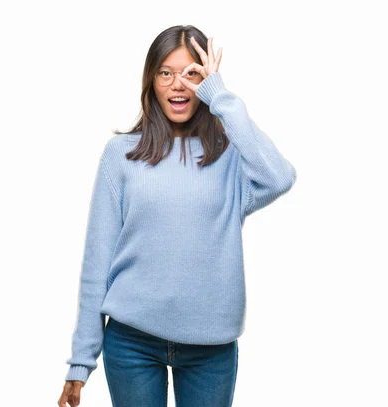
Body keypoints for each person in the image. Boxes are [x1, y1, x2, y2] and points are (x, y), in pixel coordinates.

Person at [57, 24, 296, 407]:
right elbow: (97, 260)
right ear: (151, 81)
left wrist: (221, 97)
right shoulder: (121, 154)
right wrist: (81, 362)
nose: (178, 84)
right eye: (166, 73)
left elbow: (280, 177)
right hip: (132, 342)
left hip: (211, 348)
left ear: (206, 81)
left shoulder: (232, 157)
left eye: (192, 74)